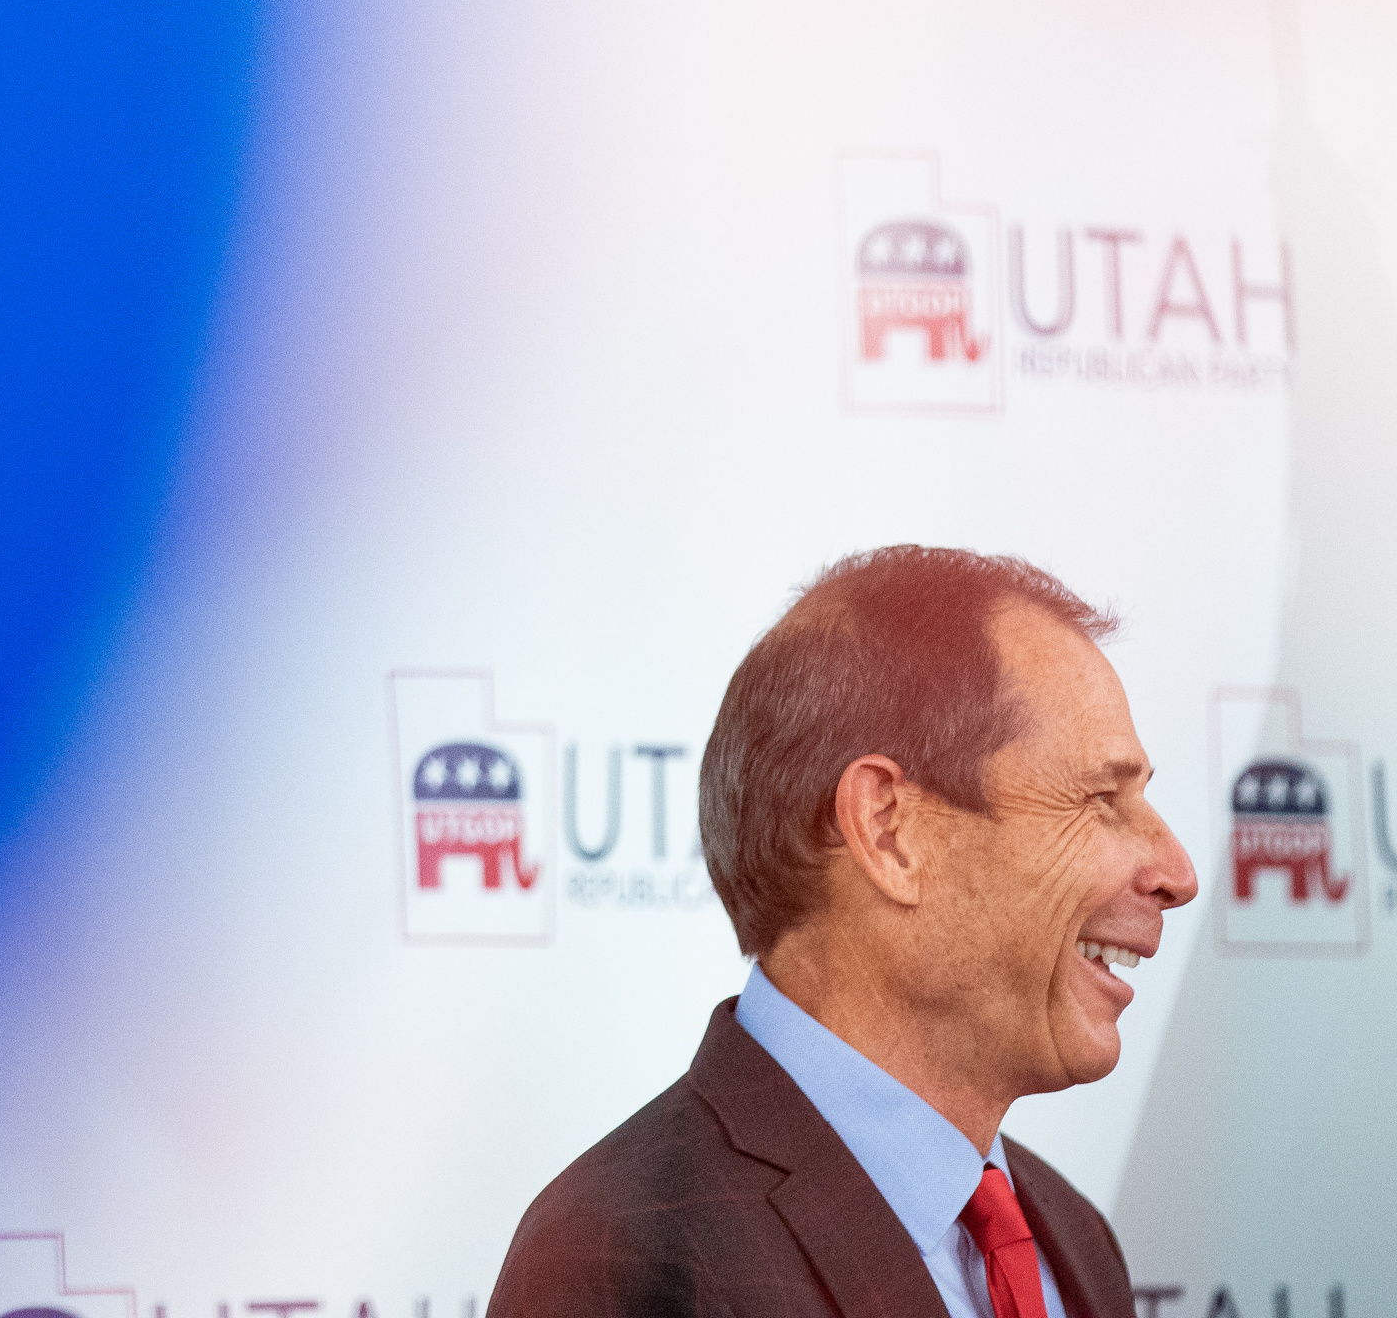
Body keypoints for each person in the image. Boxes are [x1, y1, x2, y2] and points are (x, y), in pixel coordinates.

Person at [492, 546, 1198, 1318]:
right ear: (889, 830)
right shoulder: (625, 1261)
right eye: (1101, 798)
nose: (1177, 871)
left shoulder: (1071, 1236)